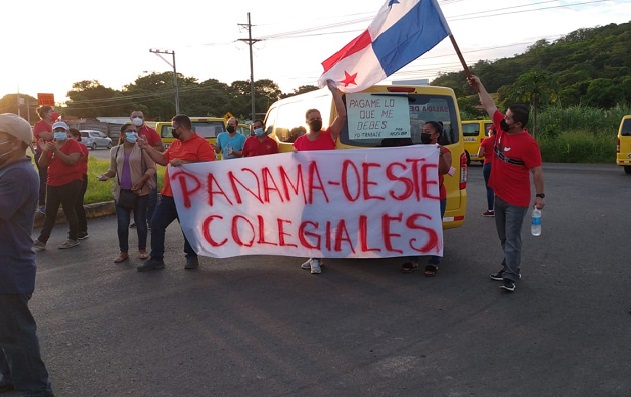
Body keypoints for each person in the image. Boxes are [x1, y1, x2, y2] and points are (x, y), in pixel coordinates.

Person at [467, 75, 545, 293]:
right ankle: (510, 266)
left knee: (511, 238)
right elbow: (490, 105)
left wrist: (540, 197)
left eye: (508, 118)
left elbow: (537, 171)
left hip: (516, 201)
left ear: (518, 124)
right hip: (499, 196)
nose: (504, 119)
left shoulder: (529, 144)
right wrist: (479, 85)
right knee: (504, 238)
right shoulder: (501, 129)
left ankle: (510, 275)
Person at [0, 113, 55, 396]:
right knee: (6, 332)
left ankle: (36, 388)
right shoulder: (7, 171)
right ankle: (9, 376)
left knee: (17, 334)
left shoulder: (19, 174)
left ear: (15, 142)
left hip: (9, 269)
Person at [136, 114, 215, 272]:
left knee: (188, 227)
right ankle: (157, 258)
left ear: (182, 127)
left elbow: (209, 166)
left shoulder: (202, 144)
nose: (173, 131)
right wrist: (146, 147)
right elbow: (163, 160)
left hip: (189, 197)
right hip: (169, 195)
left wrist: (185, 162)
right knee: (156, 223)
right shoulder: (176, 144)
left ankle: (191, 256)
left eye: (174, 128)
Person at [294, 79, 346, 274]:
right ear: (307, 122)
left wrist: (334, 92)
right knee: (308, 224)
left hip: (328, 190)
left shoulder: (329, 135)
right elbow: (293, 166)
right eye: (313, 118)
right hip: (308, 191)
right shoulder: (299, 142)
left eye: (319, 117)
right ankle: (315, 255)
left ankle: (316, 256)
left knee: (322, 223)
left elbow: (342, 115)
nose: (317, 120)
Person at [400, 121, 452, 277]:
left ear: (436, 135)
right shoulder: (416, 150)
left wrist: (441, 155)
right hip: (416, 197)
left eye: (427, 131)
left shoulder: (444, 151)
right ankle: (413, 259)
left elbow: (444, 170)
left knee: (434, 228)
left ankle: (434, 261)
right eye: (423, 130)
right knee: (413, 226)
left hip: (436, 197)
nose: (424, 133)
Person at [98, 124, 156, 263]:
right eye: (129, 131)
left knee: (140, 222)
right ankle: (123, 252)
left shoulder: (143, 149)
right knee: (122, 223)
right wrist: (106, 175)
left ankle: (142, 249)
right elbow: (112, 170)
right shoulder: (115, 150)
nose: (133, 134)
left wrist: (142, 180)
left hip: (140, 192)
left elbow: (151, 168)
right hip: (122, 192)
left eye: (135, 131)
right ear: (122, 134)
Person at [33, 121, 84, 250]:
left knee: (68, 209)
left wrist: (57, 151)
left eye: (62, 130)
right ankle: (42, 240)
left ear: (66, 132)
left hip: (71, 181)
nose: (59, 133)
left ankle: (73, 238)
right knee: (50, 212)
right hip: (53, 182)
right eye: (56, 131)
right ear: (53, 133)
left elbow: (72, 161)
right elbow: (43, 164)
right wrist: (45, 151)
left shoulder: (72, 143)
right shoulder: (52, 145)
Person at [130, 111, 163, 229]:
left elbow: (161, 147)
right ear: (130, 118)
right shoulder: (126, 132)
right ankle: (138, 219)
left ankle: (151, 220)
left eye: (140, 117)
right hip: (132, 168)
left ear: (144, 119)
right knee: (134, 194)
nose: (137, 118)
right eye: (134, 117)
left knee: (151, 195)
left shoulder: (151, 132)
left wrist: (146, 148)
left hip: (149, 167)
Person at [32, 106, 58, 214]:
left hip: (55, 153)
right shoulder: (39, 125)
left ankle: (53, 201)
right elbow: (47, 137)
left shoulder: (55, 123)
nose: (54, 113)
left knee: (54, 177)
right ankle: (42, 204)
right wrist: (58, 129)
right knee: (43, 179)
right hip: (42, 154)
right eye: (52, 111)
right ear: (46, 113)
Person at [68, 128, 90, 239]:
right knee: (72, 204)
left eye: (70, 136)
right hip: (70, 178)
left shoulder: (81, 147)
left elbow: (73, 161)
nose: (68, 139)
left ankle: (82, 229)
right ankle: (75, 228)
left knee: (77, 203)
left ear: (77, 137)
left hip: (80, 177)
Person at [477, 124, 497, 217]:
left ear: (492, 131)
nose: (488, 132)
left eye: (489, 130)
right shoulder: (501, 141)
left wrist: (486, 152)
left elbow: (479, 155)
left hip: (488, 164)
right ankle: (502, 209)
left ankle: (490, 210)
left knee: (490, 188)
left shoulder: (486, 141)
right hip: (499, 165)